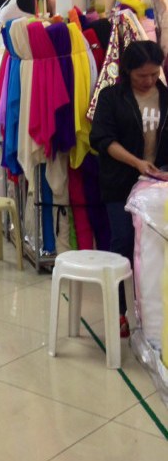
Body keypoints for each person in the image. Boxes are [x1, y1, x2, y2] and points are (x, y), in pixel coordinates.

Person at [90, 40, 168, 337]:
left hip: (158, 186)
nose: (148, 81)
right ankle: (119, 311)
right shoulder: (111, 97)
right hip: (121, 183)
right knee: (122, 243)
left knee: (156, 249)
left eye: (154, 74)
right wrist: (137, 162)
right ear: (128, 72)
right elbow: (103, 140)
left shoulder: (166, 97)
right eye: (141, 76)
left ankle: (153, 311)